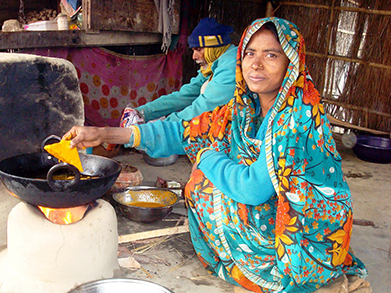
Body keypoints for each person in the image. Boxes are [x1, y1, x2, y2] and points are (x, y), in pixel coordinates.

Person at [63, 17, 369, 292]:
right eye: (250, 54)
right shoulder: (243, 107)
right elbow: (184, 130)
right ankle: (246, 258)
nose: (256, 64)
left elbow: (252, 188)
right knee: (203, 185)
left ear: (292, 62)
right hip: (277, 208)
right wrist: (103, 133)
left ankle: (286, 272)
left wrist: (207, 157)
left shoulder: (297, 118)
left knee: (212, 185)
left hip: (308, 231)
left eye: (271, 55)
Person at [121, 17, 238, 126]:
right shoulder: (213, 64)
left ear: (214, 47)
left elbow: (202, 107)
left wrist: (157, 128)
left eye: (198, 49)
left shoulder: (230, 67)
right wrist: (143, 112)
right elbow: (184, 96)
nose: (194, 57)